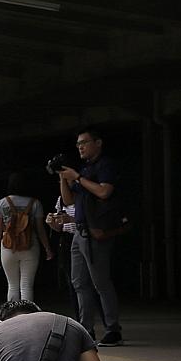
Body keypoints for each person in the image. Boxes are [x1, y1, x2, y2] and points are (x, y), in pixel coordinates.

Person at [58, 127, 124, 346]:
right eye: (77, 144)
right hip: (79, 231)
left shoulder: (105, 165)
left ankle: (113, 329)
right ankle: (85, 330)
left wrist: (76, 177)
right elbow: (68, 202)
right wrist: (63, 178)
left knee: (100, 282)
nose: (80, 147)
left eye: (84, 143)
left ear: (98, 143)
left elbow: (105, 192)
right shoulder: (85, 170)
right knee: (79, 283)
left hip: (96, 232)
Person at [0, 173, 54, 303]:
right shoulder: (35, 203)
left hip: (8, 247)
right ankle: (27, 317)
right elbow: (40, 229)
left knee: (12, 285)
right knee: (26, 285)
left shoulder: (1, 203)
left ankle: (13, 318)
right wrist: (47, 248)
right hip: (30, 245)